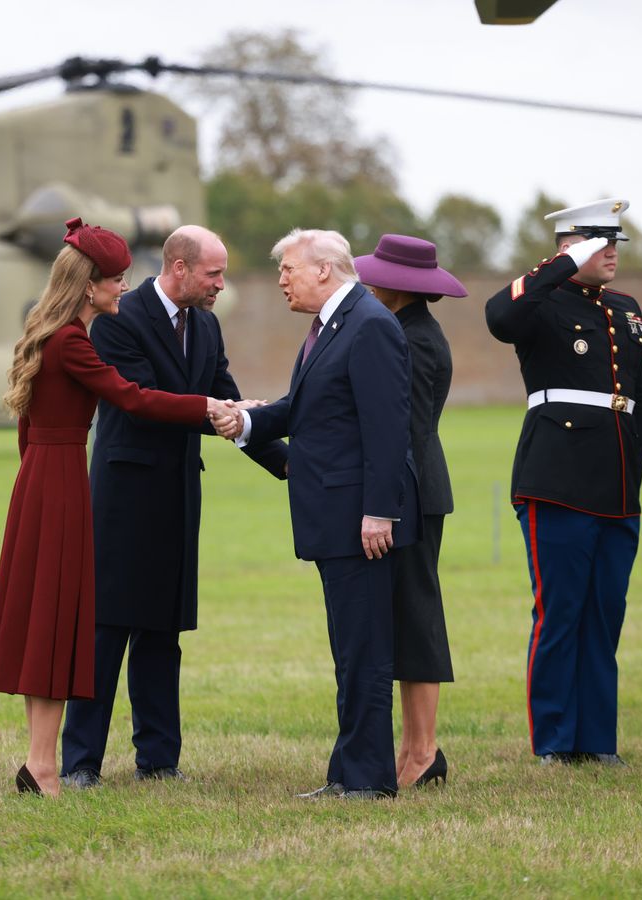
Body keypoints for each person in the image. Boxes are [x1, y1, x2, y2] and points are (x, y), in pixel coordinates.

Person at [0, 217, 236, 797]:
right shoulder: (77, 338)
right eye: (116, 279)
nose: (124, 286)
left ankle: (44, 764)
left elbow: (26, 428)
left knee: (53, 621)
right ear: (90, 284)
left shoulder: (48, 331)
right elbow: (130, 396)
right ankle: (57, 764)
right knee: (75, 624)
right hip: (71, 481)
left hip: (46, 475)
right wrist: (210, 408)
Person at [60, 225, 287, 788]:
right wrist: (214, 406)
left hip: (179, 496)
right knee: (106, 631)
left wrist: (289, 465)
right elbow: (139, 402)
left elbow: (229, 407)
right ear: (179, 268)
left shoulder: (206, 325)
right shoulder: (120, 320)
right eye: (213, 274)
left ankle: (159, 761)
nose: (220, 284)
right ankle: (80, 762)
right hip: (122, 497)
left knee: (163, 632)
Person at [224, 228, 420, 799]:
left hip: (360, 520)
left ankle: (367, 781)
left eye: (289, 268)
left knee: (364, 651)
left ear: (325, 270)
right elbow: (306, 411)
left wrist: (379, 512)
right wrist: (246, 423)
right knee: (349, 650)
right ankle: (348, 773)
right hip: (333, 516)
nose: (281, 279)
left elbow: (388, 428)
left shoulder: (370, 325)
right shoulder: (332, 325)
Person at [484, 198, 642, 767]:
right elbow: (498, 318)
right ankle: (554, 742)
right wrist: (559, 263)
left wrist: (635, 475)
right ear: (567, 248)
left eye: (614, 243)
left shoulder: (627, 308)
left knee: (605, 614)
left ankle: (597, 742)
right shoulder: (540, 302)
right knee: (560, 614)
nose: (610, 252)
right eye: (597, 242)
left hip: (615, 482)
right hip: (556, 478)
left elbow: (638, 401)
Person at [353, 234, 465, 789]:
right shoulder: (404, 328)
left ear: (401, 286)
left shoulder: (413, 338)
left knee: (417, 618)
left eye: (378, 276)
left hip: (412, 492)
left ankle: (423, 752)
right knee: (404, 616)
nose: (369, 281)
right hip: (408, 488)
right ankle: (412, 749)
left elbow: (397, 427)